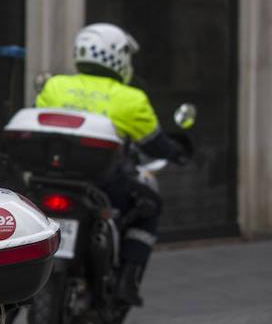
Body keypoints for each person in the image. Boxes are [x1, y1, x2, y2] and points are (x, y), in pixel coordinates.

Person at [35, 23, 190, 306]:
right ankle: (127, 281)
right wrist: (177, 152)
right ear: (118, 56)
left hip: (51, 178)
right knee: (150, 207)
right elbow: (155, 143)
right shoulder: (131, 98)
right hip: (104, 184)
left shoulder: (56, 86)